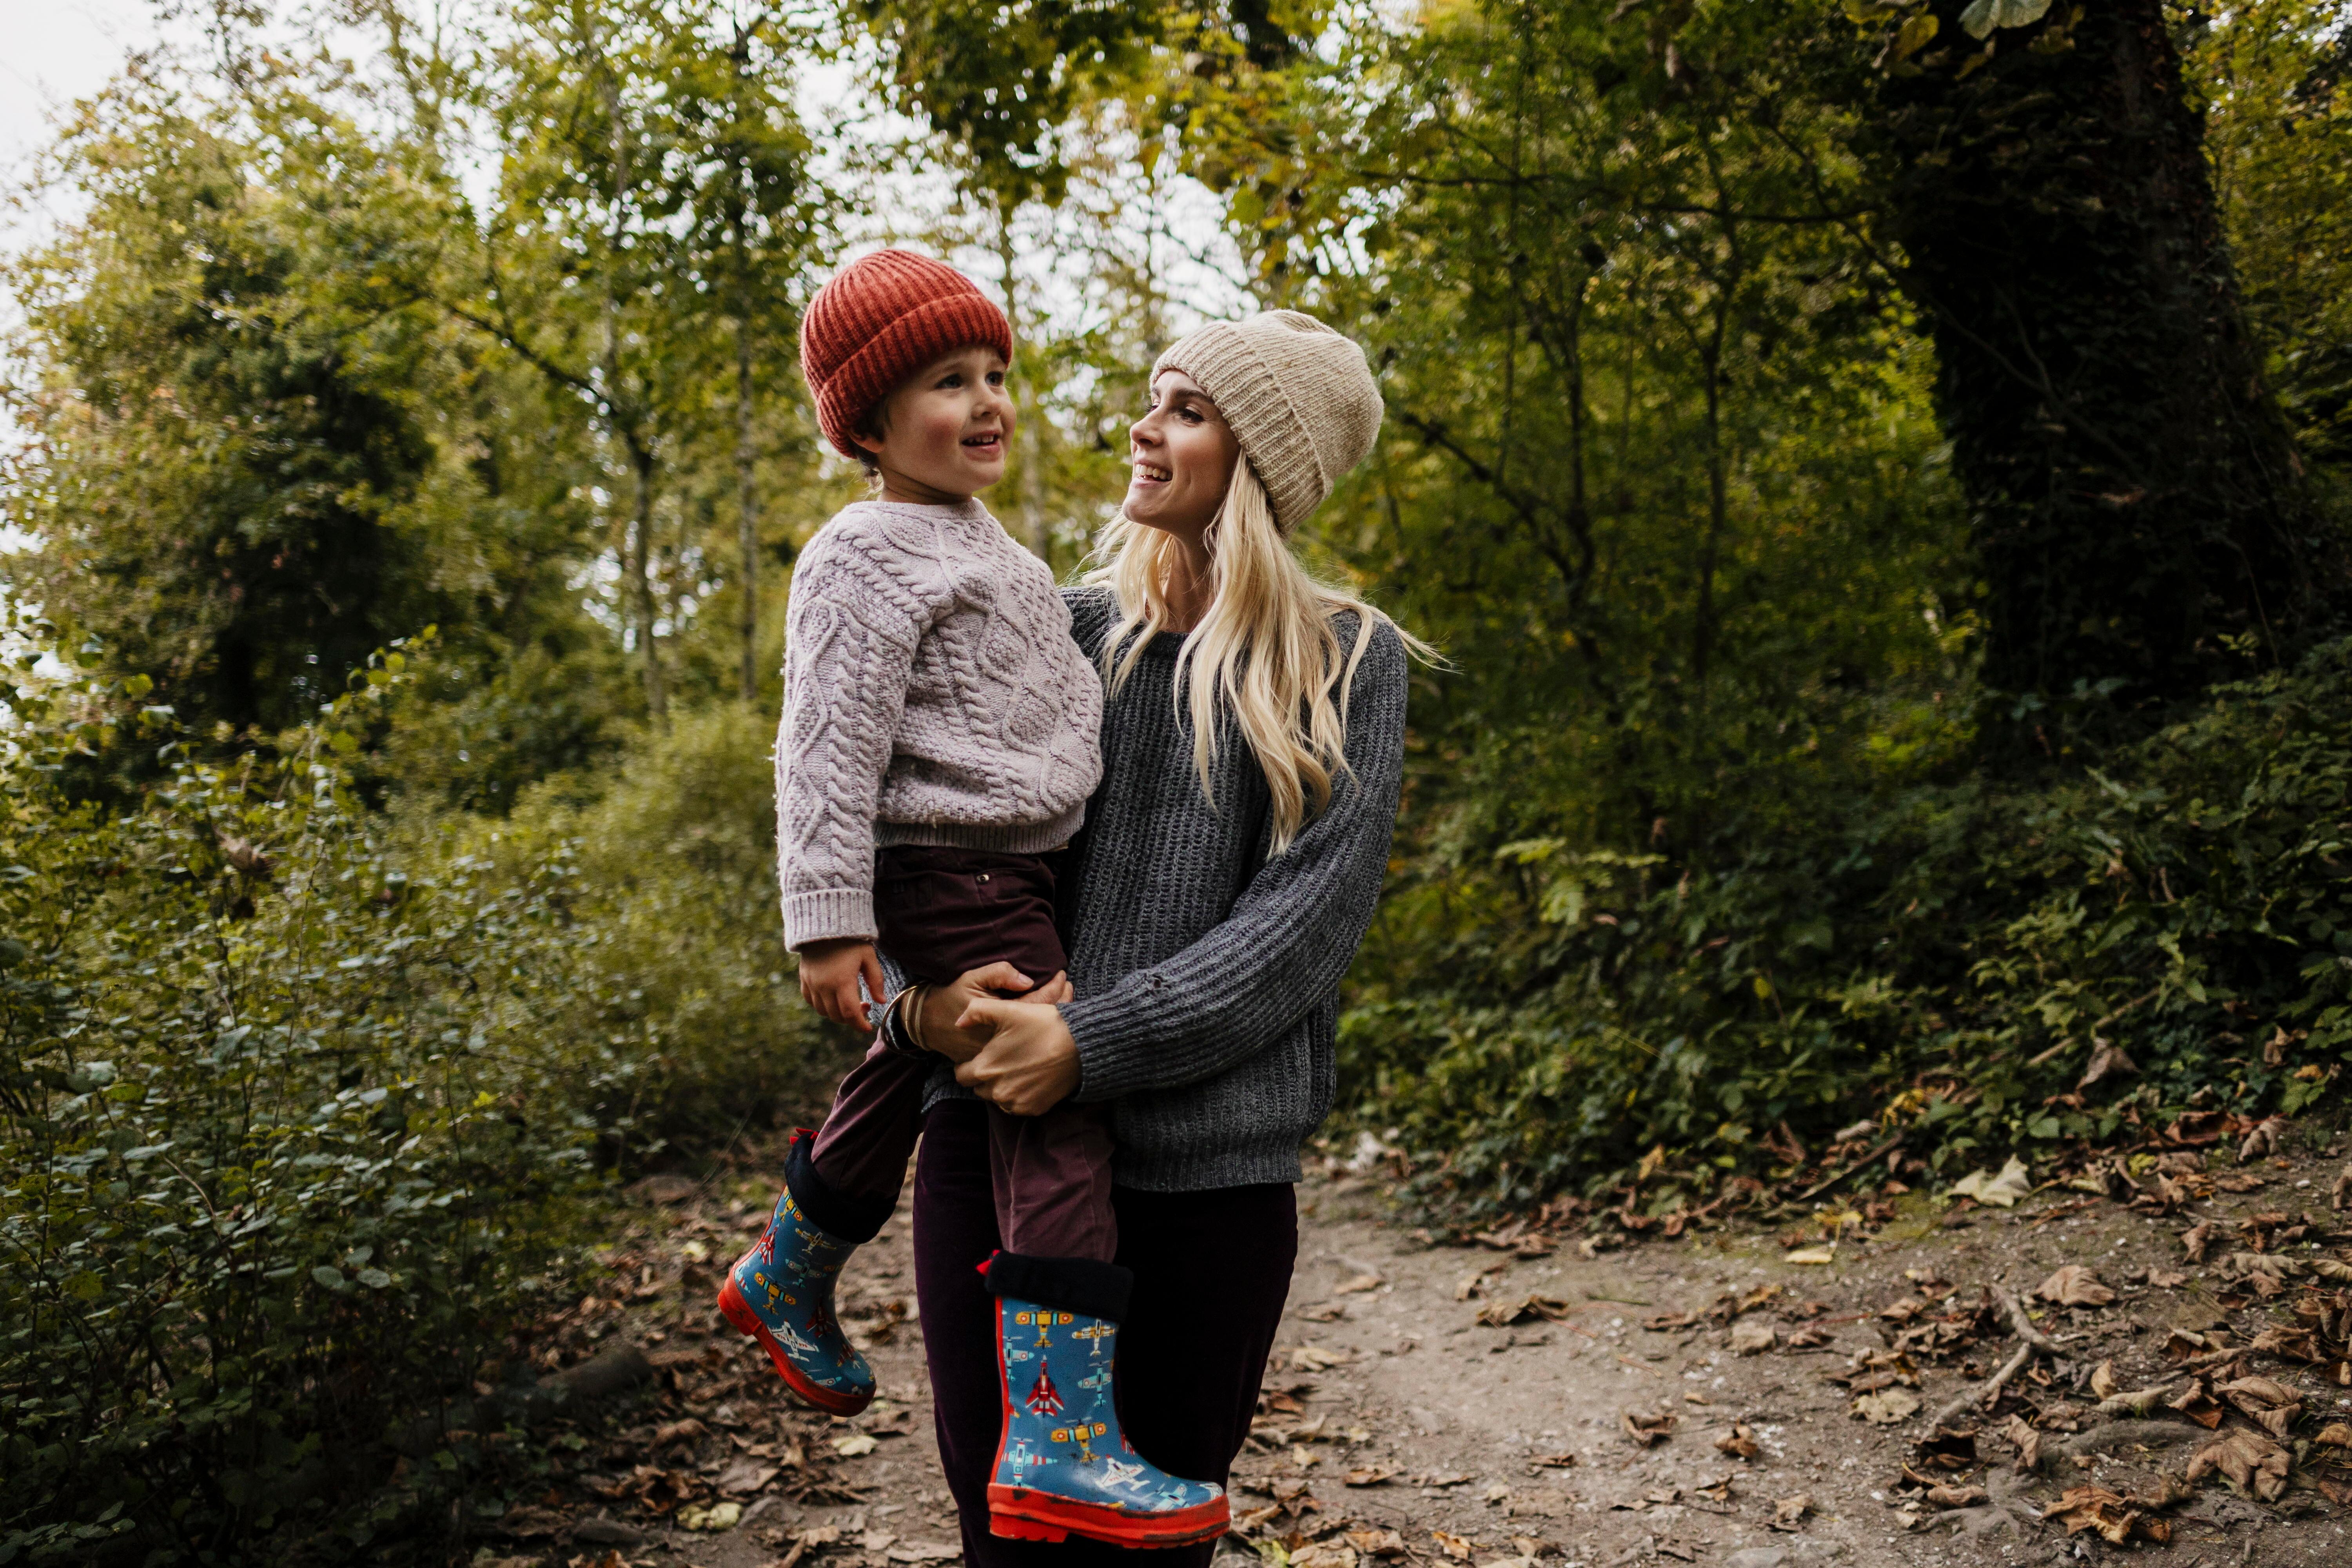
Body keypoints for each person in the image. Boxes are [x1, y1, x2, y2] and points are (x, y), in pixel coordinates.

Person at [889, 309, 1421, 1566]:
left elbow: (1301, 926)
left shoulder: (1347, 658)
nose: (1142, 426)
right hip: (993, 1150)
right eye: (1153, 397)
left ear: (1263, 464)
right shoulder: (1055, 625)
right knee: (1007, 1540)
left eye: (1185, 409)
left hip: (1209, 1184)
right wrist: (914, 1011)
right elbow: (914, 841)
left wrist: (1089, 1045)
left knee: (1151, 1546)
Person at [719, 249, 1225, 1547]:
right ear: (871, 425)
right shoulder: (864, 556)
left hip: (1004, 864)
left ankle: (790, 1265)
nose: (989, 401)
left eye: (996, 374)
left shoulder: (968, 538)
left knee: (914, 1072)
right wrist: (827, 922)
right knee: (1051, 1111)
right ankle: (1059, 1430)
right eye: (950, 382)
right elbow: (822, 745)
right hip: (953, 864)